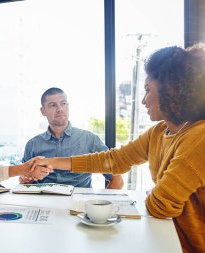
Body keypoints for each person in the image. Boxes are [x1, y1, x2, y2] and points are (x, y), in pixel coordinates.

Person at [32, 44, 205, 253]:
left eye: (148, 90)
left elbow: (160, 205)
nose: (143, 100)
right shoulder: (159, 132)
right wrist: (53, 162)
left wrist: (154, 194)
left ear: (171, 90)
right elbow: (114, 160)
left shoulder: (199, 137)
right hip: (169, 238)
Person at [20, 87, 124, 189]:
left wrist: (102, 205)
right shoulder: (32, 145)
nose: (60, 109)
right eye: (53, 105)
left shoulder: (90, 140)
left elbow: (117, 179)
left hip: (80, 204)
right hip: (43, 203)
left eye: (63, 103)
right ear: (43, 111)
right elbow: (24, 180)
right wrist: (26, 180)